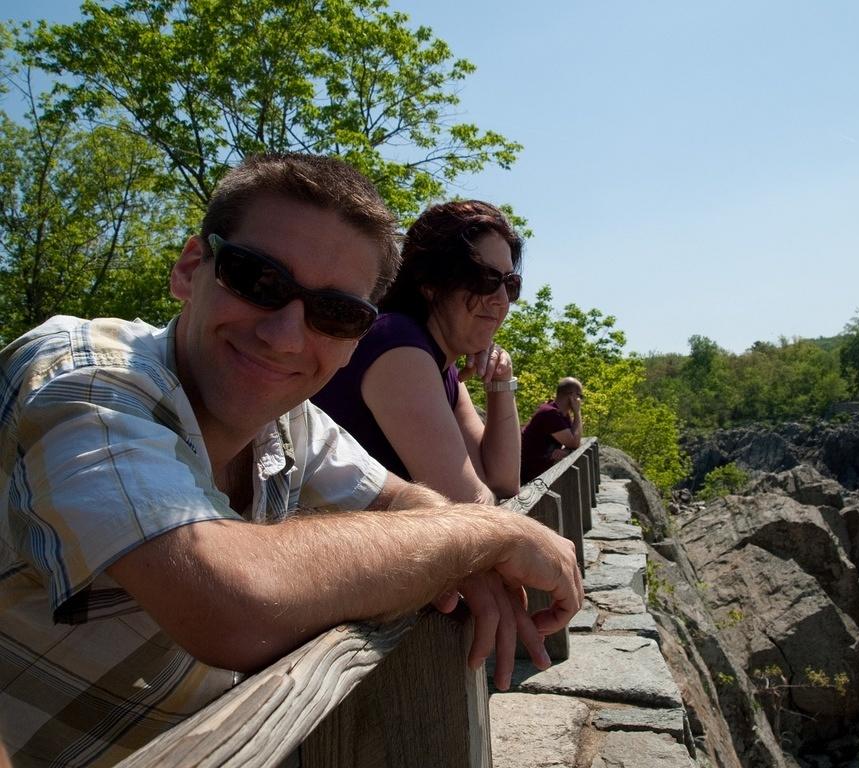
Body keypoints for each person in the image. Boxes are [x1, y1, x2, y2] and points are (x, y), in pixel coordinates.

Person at [0, 154, 582, 766]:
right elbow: (229, 604)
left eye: (336, 313)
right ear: (191, 268)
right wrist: (481, 534)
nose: (284, 335)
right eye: (257, 279)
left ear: (358, 334)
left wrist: (467, 541)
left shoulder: (288, 421)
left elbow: (406, 499)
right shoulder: (81, 374)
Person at [313, 200, 522, 504]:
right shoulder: (397, 345)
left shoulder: (442, 366)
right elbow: (468, 503)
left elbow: (502, 480)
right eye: (484, 279)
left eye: (510, 283)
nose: (501, 299)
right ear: (431, 284)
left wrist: (501, 379)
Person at [521, 377, 585, 482]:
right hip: (527, 477)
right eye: (580, 396)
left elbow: (573, 440)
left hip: (540, 473)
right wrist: (578, 413)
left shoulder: (561, 414)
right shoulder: (550, 414)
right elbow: (574, 443)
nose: (580, 401)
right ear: (572, 395)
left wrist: (567, 450)